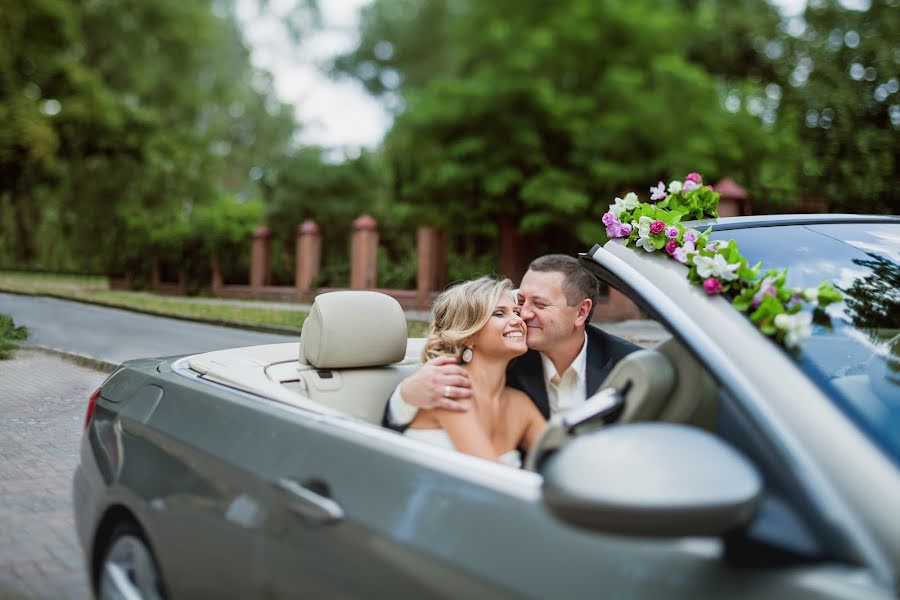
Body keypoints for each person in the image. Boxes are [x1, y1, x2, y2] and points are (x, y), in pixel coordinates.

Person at [386, 254, 640, 432]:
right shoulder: (500, 358)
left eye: (539, 305)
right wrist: (404, 396)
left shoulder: (631, 366)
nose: (523, 315)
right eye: (521, 302)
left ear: (581, 313)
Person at [403, 277, 546, 468]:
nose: (518, 320)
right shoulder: (447, 387)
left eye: (516, 312)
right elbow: (489, 478)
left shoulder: (519, 403)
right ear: (468, 335)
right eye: (499, 314)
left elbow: (565, 459)